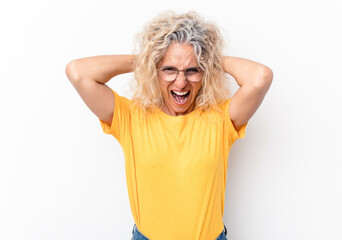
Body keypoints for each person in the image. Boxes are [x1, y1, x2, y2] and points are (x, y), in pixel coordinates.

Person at [65, 11, 273, 240]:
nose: (181, 82)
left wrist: (209, 57)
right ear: (154, 71)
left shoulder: (219, 119)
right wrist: (147, 58)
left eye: (193, 70)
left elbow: (260, 77)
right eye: (169, 69)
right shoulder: (132, 117)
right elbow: (78, 72)